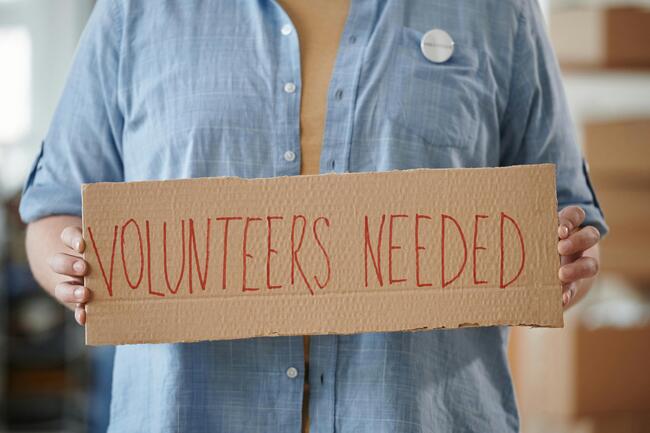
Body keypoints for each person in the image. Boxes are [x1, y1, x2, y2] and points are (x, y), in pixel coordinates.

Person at [20, 1, 607, 432]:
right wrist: (69, 264)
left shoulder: (495, 12)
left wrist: (565, 260)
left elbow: (563, 215)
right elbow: (54, 208)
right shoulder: (135, 13)